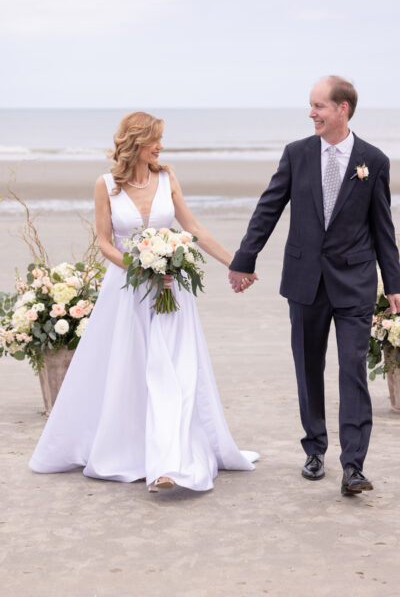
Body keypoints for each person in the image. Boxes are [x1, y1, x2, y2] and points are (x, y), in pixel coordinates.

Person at [29, 111, 258, 492]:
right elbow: (104, 241)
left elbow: (193, 229)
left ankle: (169, 464)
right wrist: (140, 267)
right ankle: (136, 451)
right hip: (127, 294)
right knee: (131, 372)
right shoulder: (106, 185)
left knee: (176, 372)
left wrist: (237, 264)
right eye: (156, 140)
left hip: (171, 292)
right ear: (137, 141)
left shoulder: (167, 179)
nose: (162, 147)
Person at [229, 76, 400, 496]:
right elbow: (268, 208)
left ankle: (353, 466)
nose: (311, 114)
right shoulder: (297, 154)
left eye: (319, 106)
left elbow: (383, 228)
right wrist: (243, 259)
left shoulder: (372, 161)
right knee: (309, 369)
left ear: (343, 109)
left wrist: (393, 282)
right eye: (311, 106)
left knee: (353, 371)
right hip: (305, 281)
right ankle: (314, 448)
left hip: (354, 282)